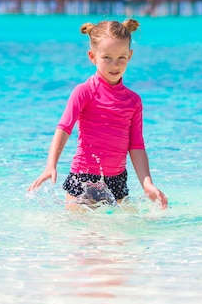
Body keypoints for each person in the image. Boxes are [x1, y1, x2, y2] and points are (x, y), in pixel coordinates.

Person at [28, 19, 168, 209]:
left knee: (120, 237)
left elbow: (136, 145)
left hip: (117, 180)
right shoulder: (84, 91)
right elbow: (64, 128)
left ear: (130, 56)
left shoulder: (133, 101)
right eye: (107, 57)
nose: (115, 65)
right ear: (92, 56)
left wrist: (147, 183)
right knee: (82, 234)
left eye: (121, 58)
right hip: (84, 178)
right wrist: (50, 165)